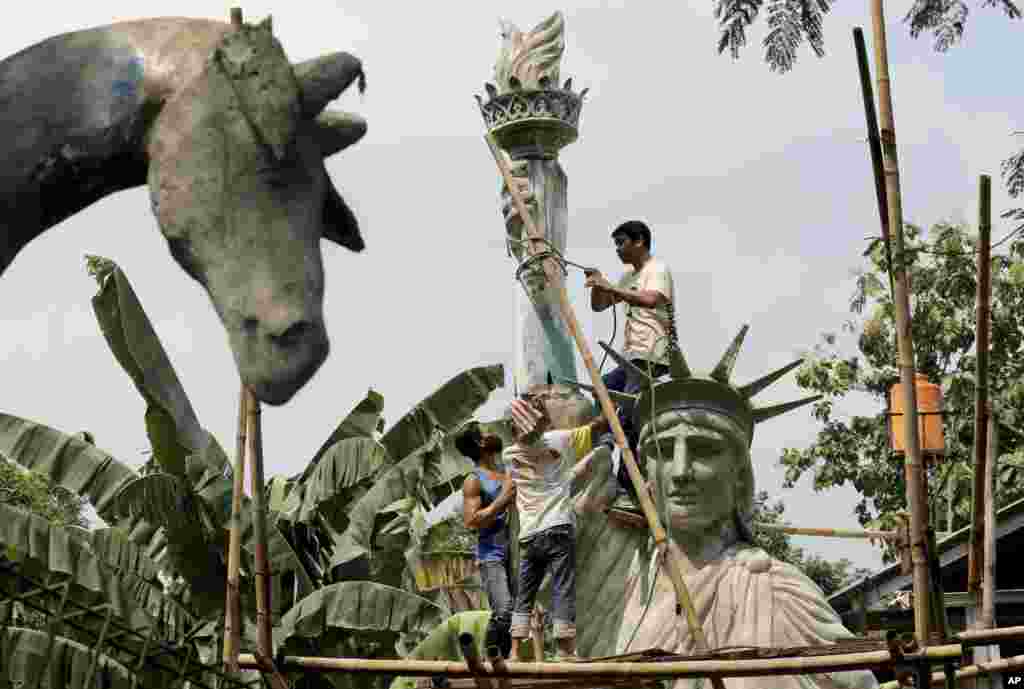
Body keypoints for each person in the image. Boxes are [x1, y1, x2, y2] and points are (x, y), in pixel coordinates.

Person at [570, 338, 879, 689]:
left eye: (703, 450)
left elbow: (858, 681)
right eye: (665, 450)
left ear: (739, 475)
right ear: (644, 470)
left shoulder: (776, 591)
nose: (681, 471)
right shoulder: (620, 577)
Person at [503, 387, 609, 661]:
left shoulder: (509, 455)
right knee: (564, 587)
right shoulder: (557, 440)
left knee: (524, 594)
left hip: (530, 534)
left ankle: (514, 652)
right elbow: (596, 426)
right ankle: (565, 650)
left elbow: (549, 473)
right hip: (558, 527)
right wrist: (612, 409)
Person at [585, 220, 676, 499]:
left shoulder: (656, 269)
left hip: (651, 352)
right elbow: (599, 306)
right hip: (630, 355)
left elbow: (650, 300)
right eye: (615, 244)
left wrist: (610, 287)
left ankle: (633, 483)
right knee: (602, 388)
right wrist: (600, 285)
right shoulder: (628, 276)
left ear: (639, 241)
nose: (617, 249)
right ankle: (606, 443)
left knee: (629, 413)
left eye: (621, 242)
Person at [455, 422, 517, 659]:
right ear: (481, 443)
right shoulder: (474, 479)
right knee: (503, 611)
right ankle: (489, 653)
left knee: (520, 614)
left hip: (516, 550)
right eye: (486, 431)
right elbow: (471, 521)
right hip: (492, 555)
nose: (492, 432)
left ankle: (508, 660)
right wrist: (502, 499)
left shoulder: (506, 471)